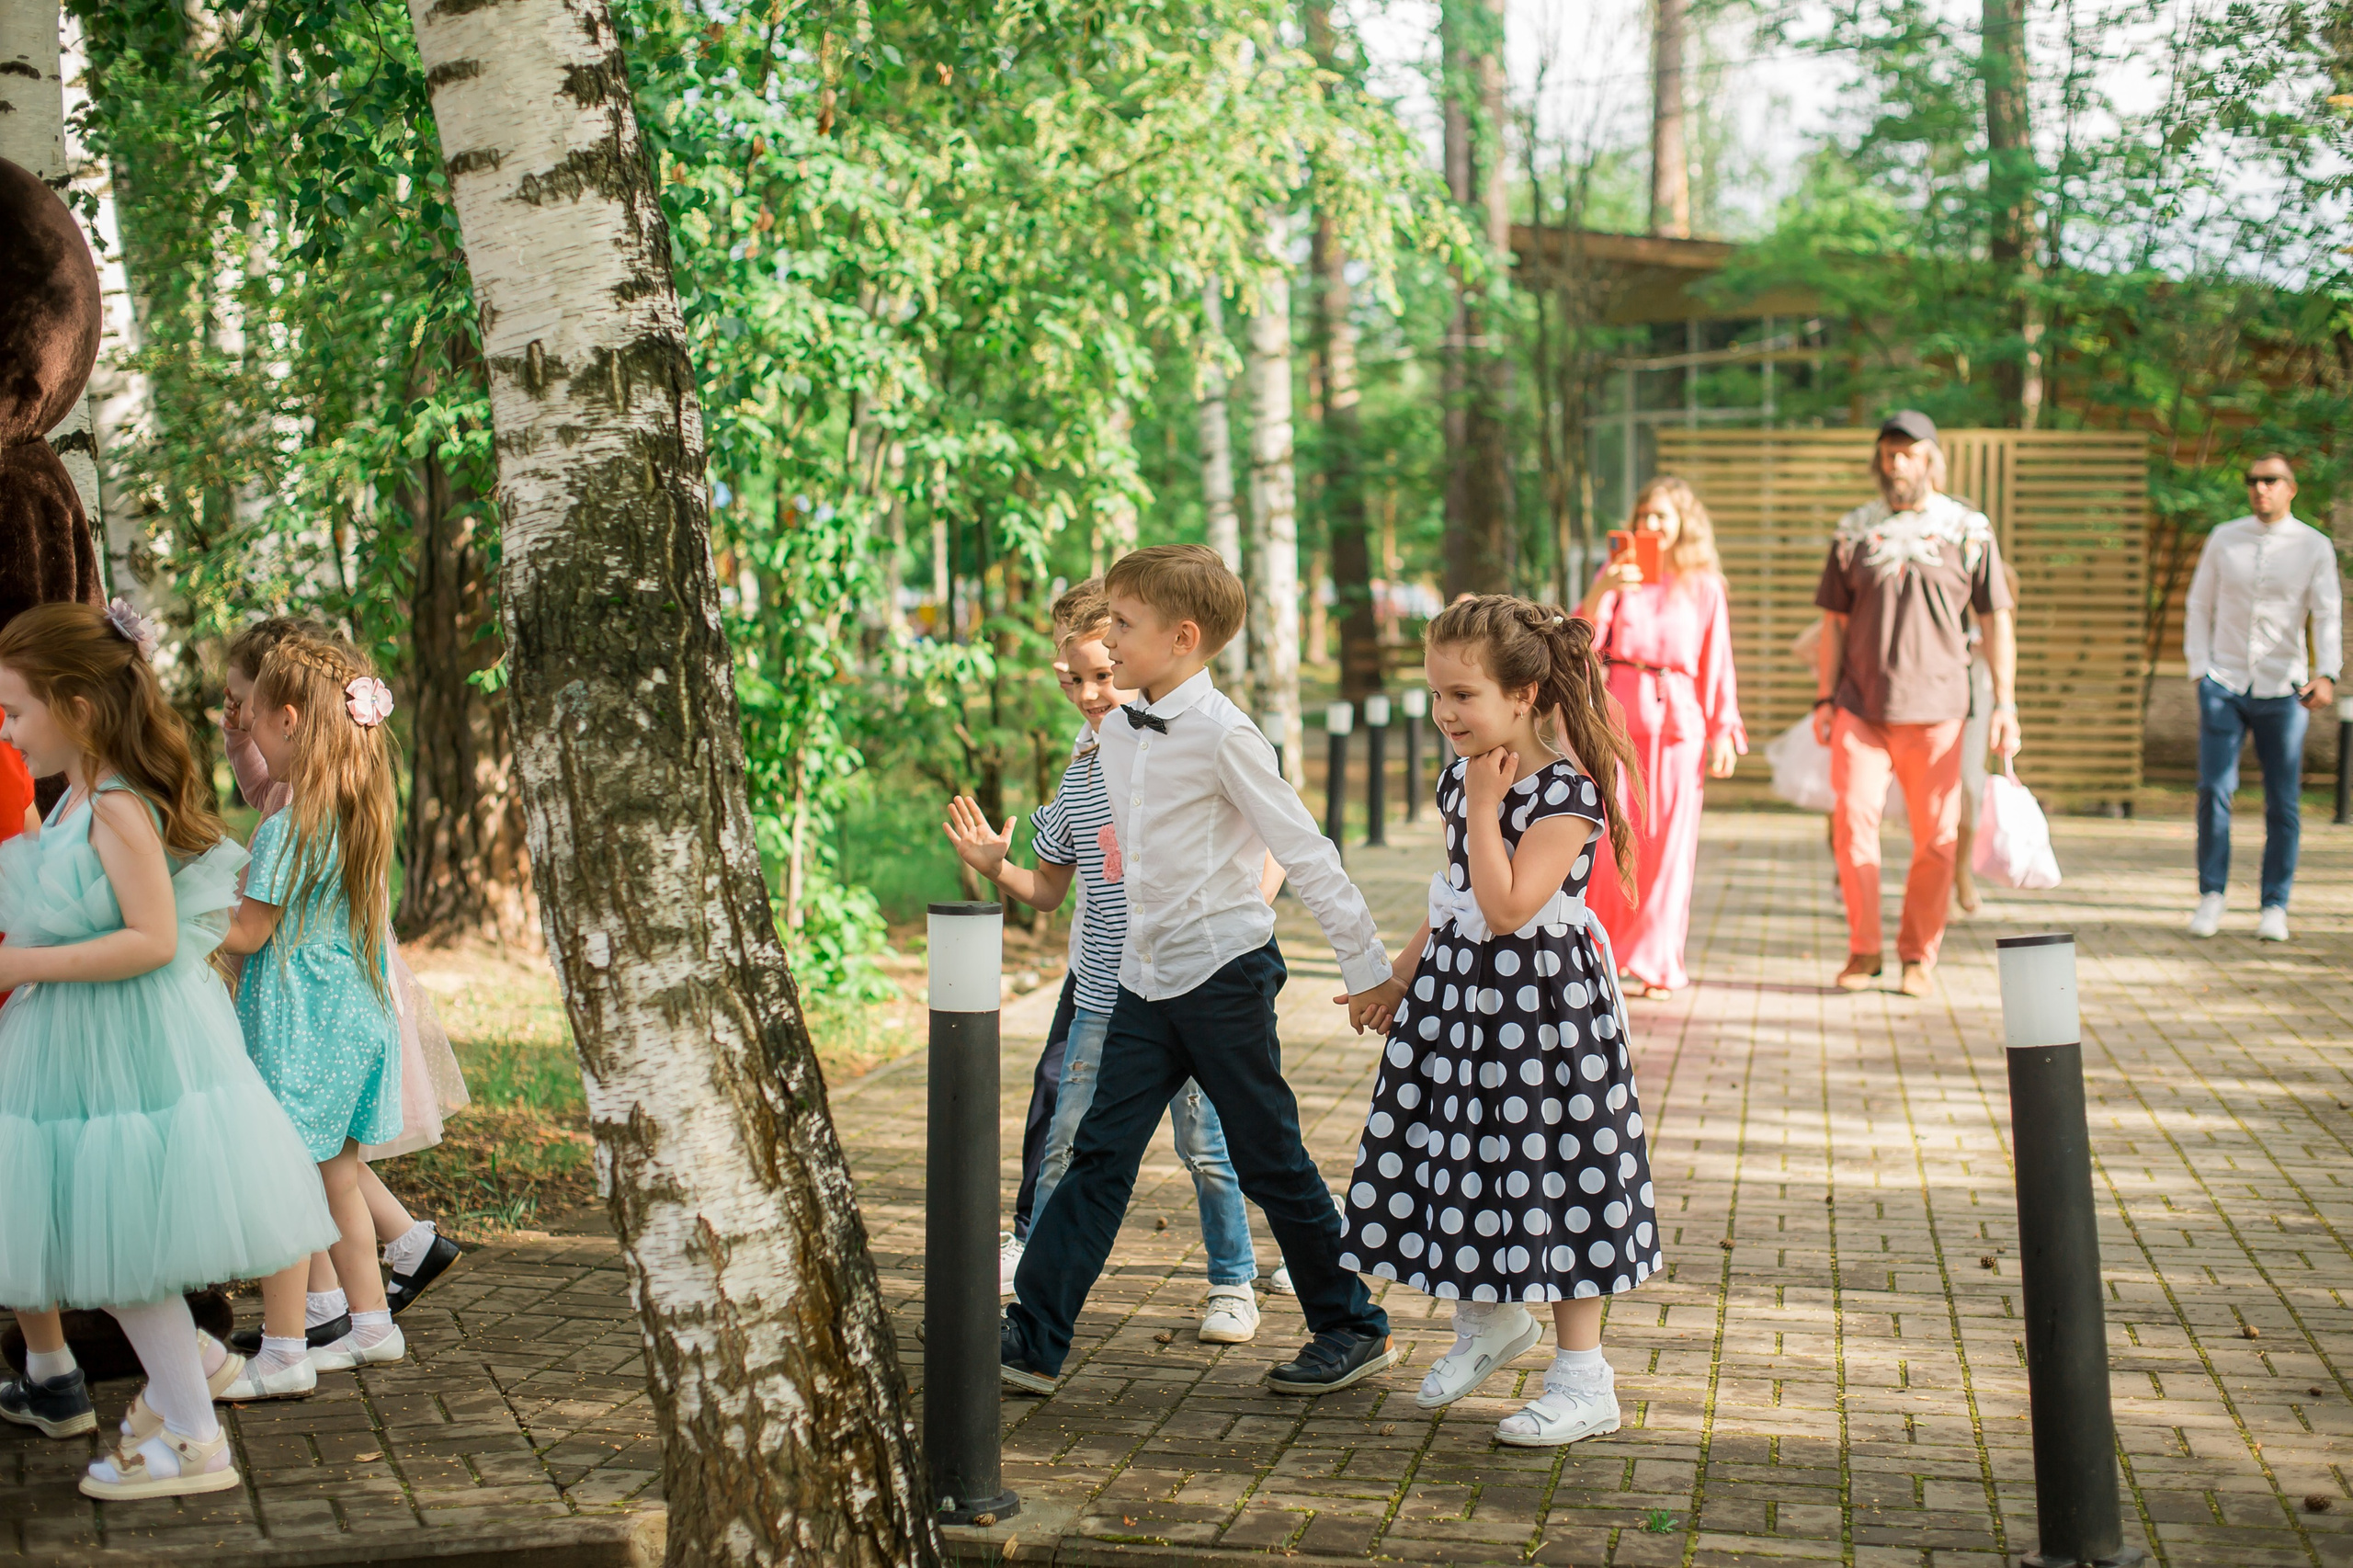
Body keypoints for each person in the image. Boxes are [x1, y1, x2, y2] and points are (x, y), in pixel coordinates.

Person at [1000, 544, 1404, 1396]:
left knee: (1269, 1155)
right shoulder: (1114, 729)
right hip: (1143, 982)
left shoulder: (1227, 736)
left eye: (1124, 623)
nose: (1107, 637)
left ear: (1182, 638)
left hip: (1223, 976)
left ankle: (1351, 1324)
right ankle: (1032, 1340)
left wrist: (1370, 969)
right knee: (1099, 1157)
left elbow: (1306, 851)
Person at [0, 601, 338, 1498]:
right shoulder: (80, 796)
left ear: (75, 704)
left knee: (122, 1247)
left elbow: (152, 936)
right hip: (84, 1043)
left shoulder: (113, 803)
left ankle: (193, 1435)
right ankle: (186, 1375)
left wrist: (21, 960)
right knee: (107, 1245)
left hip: (125, 1046)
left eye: (15, 711)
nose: (6, 728)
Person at [1338, 596, 1659, 1446]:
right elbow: (1455, 901)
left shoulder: (1567, 794)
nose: (1445, 713)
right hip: (1461, 1000)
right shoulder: (1467, 773)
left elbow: (1510, 906)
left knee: (1552, 1171)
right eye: (1437, 695)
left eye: (1463, 696)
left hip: (1543, 1015)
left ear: (1524, 694)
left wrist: (1485, 806)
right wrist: (1395, 978)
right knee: (1467, 1153)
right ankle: (1489, 1321)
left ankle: (1585, 1380)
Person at [947, 588, 1265, 1343]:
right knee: (1065, 1144)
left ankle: (1232, 1282)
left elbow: (1268, 840)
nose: (1089, 696)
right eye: (1072, 680)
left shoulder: (1189, 746)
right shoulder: (1085, 766)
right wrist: (998, 869)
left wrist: (1238, 924)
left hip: (1189, 985)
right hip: (1103, 990)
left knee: (1208, 1146)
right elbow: (1051, 888)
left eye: (1102, 676)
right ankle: (1033, 1307)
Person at [219, 619, 466, 1358]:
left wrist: (175, 915)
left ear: (287, 720)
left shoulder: (287, 829)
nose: (248, 729)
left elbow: (250, 933)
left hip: (301, 1028)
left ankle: (286, 1347)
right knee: (336, 1180)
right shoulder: (356, 811)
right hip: (356, 1022)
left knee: (285, 1183)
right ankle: (371, 1325)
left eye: (253, 716)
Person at [1813, 411, 2019, 997]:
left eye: (1907, 452)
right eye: (1887, 452)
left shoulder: (1968, 529)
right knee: (1853, 825)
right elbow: (1833, 624)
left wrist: (2005, 702)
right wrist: (1826, 697)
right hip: (1859, 705)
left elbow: (1996, 619)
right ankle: (1863, 952)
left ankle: (1918, 956)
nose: (1895, 463)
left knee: (1937, 839)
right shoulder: (1853, 529)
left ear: (1932, 458)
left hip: (1940, 709)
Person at [1575, 476, 1745, 997]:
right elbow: (1580, 640)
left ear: (1682, 525)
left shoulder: (1704, 585)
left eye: (1661, 517)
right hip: (1618, 711)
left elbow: (1718, 661)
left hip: (1679, 720)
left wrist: (1723, 729)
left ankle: (1655, 959)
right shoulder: (1617, 573)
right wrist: (1604, 590)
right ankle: (1600, 953)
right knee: (1608, 838)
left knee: (1668, 846)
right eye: (1643, 515)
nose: (1649, 525)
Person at [2182, 453, 2341, 942]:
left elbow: (2327, 612)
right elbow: (2198, 603)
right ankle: (2212, 895)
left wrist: (2327, 673)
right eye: (2252, 481)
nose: (2260, 489)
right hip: (2224, 683)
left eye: (2270, 480)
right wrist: (2198, 671)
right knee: (2214, 789)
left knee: (2283, 801)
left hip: (2284, 688)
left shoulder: (2314, 545)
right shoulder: (2223, 537)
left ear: (2291, 488)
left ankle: (2275, 904)